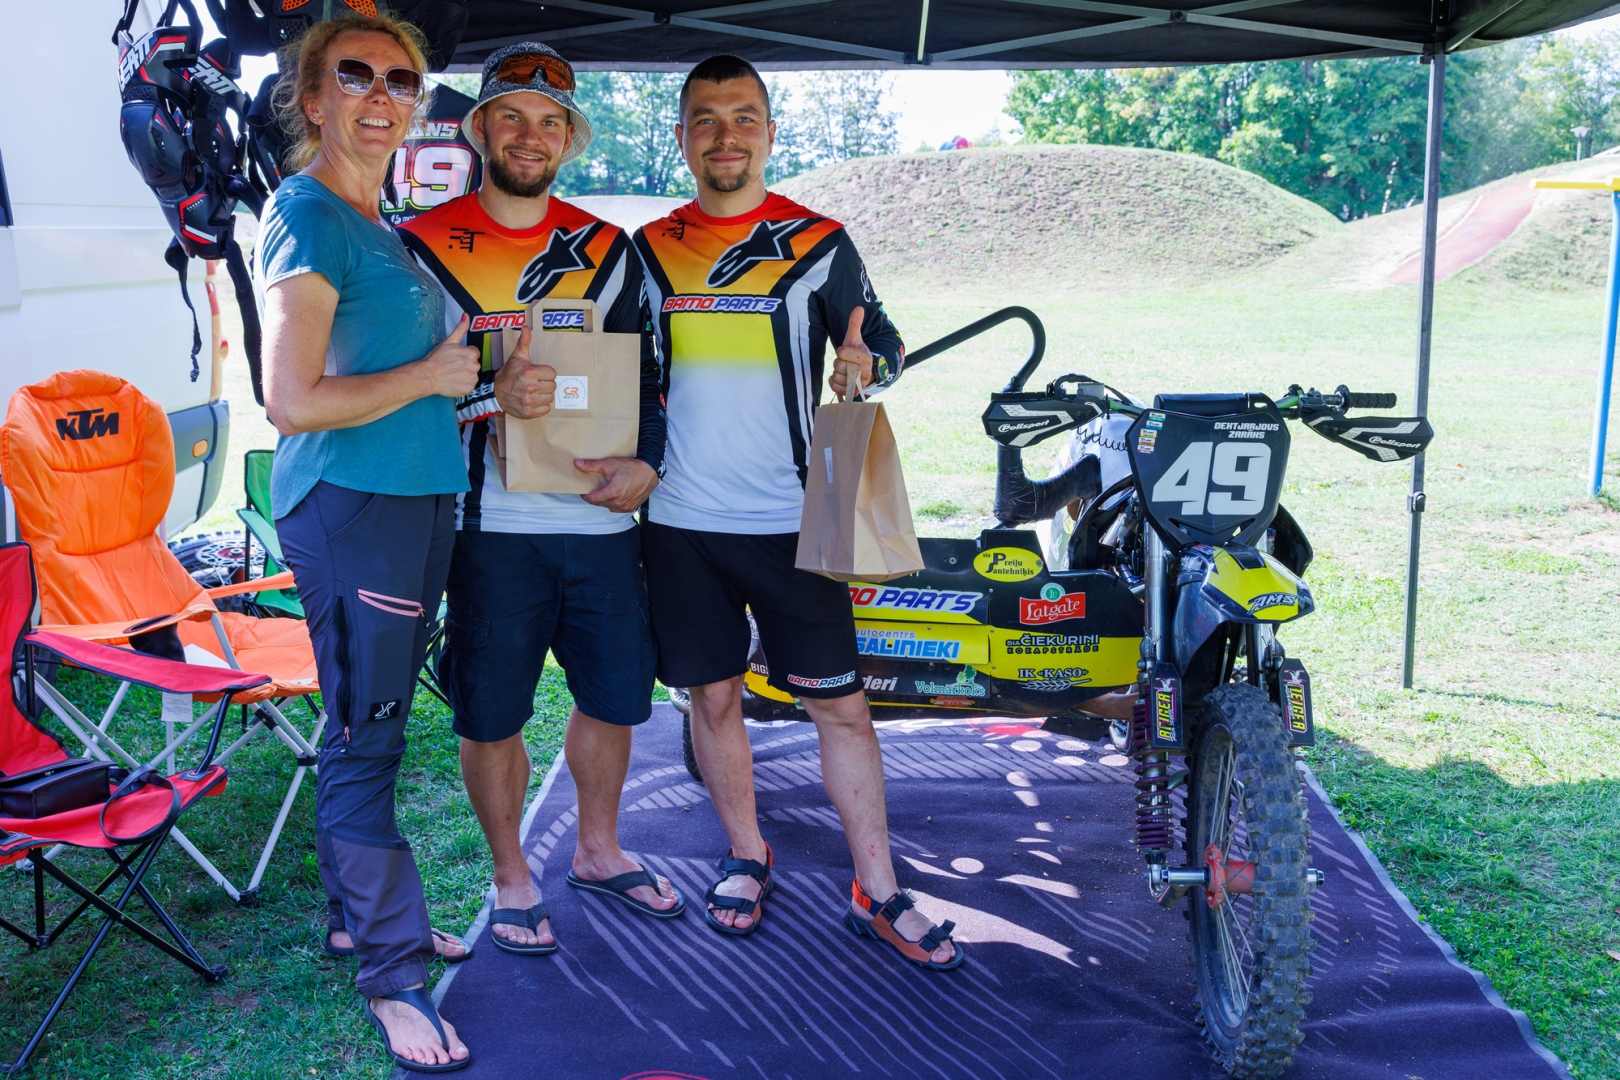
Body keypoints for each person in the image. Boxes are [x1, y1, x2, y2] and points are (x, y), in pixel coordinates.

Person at [633, 54, 962, 970]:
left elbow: (882, 342)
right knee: (712, 697)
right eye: (706, 119)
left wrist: (868, 366)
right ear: (683, 137)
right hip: (680, 524)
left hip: (793, 520)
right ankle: (747, 853)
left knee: (841, 710)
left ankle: (878, 886)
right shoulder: (649, 250)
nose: (725, 135)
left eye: (744, 117)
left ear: (771, 134)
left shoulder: (818, 242)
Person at [396, 42, 681, 955]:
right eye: (512, 117)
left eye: (550, 121)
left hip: (600, 523)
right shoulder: (418, 246)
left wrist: (648, 463)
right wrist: (490, 394)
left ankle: (598, 850)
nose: (530, 135)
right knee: (491, 713)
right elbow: (394, 391)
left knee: (615, 698)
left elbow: (651, 378)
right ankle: (511, 872)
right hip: (486, 529)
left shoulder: (608, 249)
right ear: (480, 129)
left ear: (569, 138)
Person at [256, 15, 476, 1072]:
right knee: (369, 734)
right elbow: (292, 399)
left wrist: (468, 386)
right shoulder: (305, 213)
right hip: (356, 508)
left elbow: (395, 378)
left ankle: (356, 920)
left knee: (367, 722)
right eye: (356, 76)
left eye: (403, 80)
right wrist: (431, 376)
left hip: (415, 500)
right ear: (313, 99)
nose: (384, 95)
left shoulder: (380, 222)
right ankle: (392, 973)